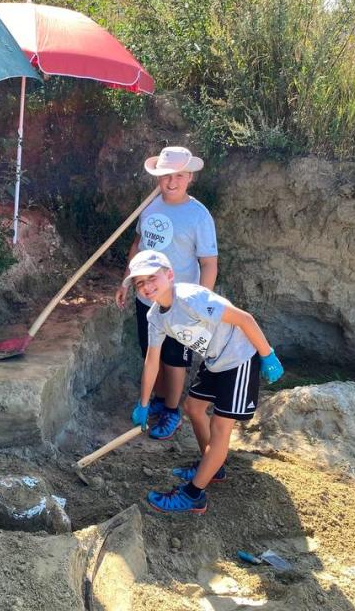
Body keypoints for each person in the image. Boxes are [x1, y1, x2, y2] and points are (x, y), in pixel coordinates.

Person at [123, 249, 284, 514]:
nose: (147, 286)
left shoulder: (191, 299)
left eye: (152, 278)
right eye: (140, 283)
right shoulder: (155, 317)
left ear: (169, 275)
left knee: (220, 427)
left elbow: (244, 318)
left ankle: (194, 495)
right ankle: (212, 467)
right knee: (193, 408)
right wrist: (143, 404)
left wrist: (267, 355)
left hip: (239, 358)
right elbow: (152, 361)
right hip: (215, 361)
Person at [114, 146, 218, 441]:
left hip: (180, 303)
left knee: (176, 360)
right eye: (165, 176)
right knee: (151, 352)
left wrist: (200, 303)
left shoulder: (198, 216)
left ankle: (172, 410)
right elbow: (137, 245)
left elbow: (209, 263)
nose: (171, 183)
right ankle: (157, 400)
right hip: (146, 296)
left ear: (190, 177)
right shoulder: (149, 206)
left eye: (179, 176)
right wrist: (126, 281)